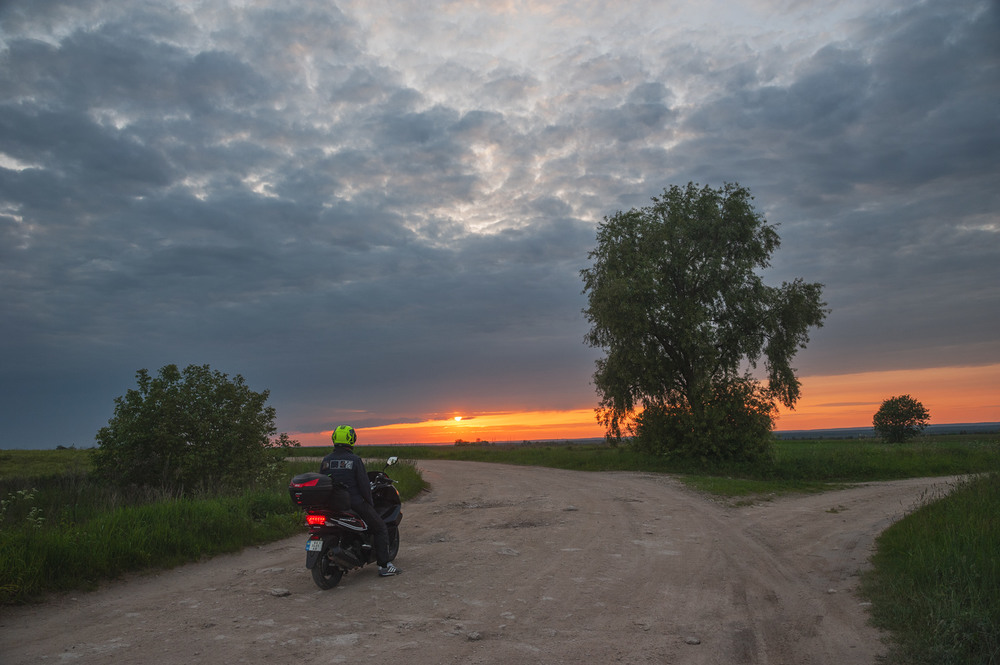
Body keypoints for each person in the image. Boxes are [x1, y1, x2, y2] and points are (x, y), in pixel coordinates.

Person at [320, 425, 401, 577]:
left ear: (334, 438)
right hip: (353, 502)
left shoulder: (326, 460)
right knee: (380, 527)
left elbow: (323, 480)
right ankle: (384, 566)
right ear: (352, 439)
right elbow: (364, 485)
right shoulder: (355, 460)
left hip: (331, 504)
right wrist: (369, 502)